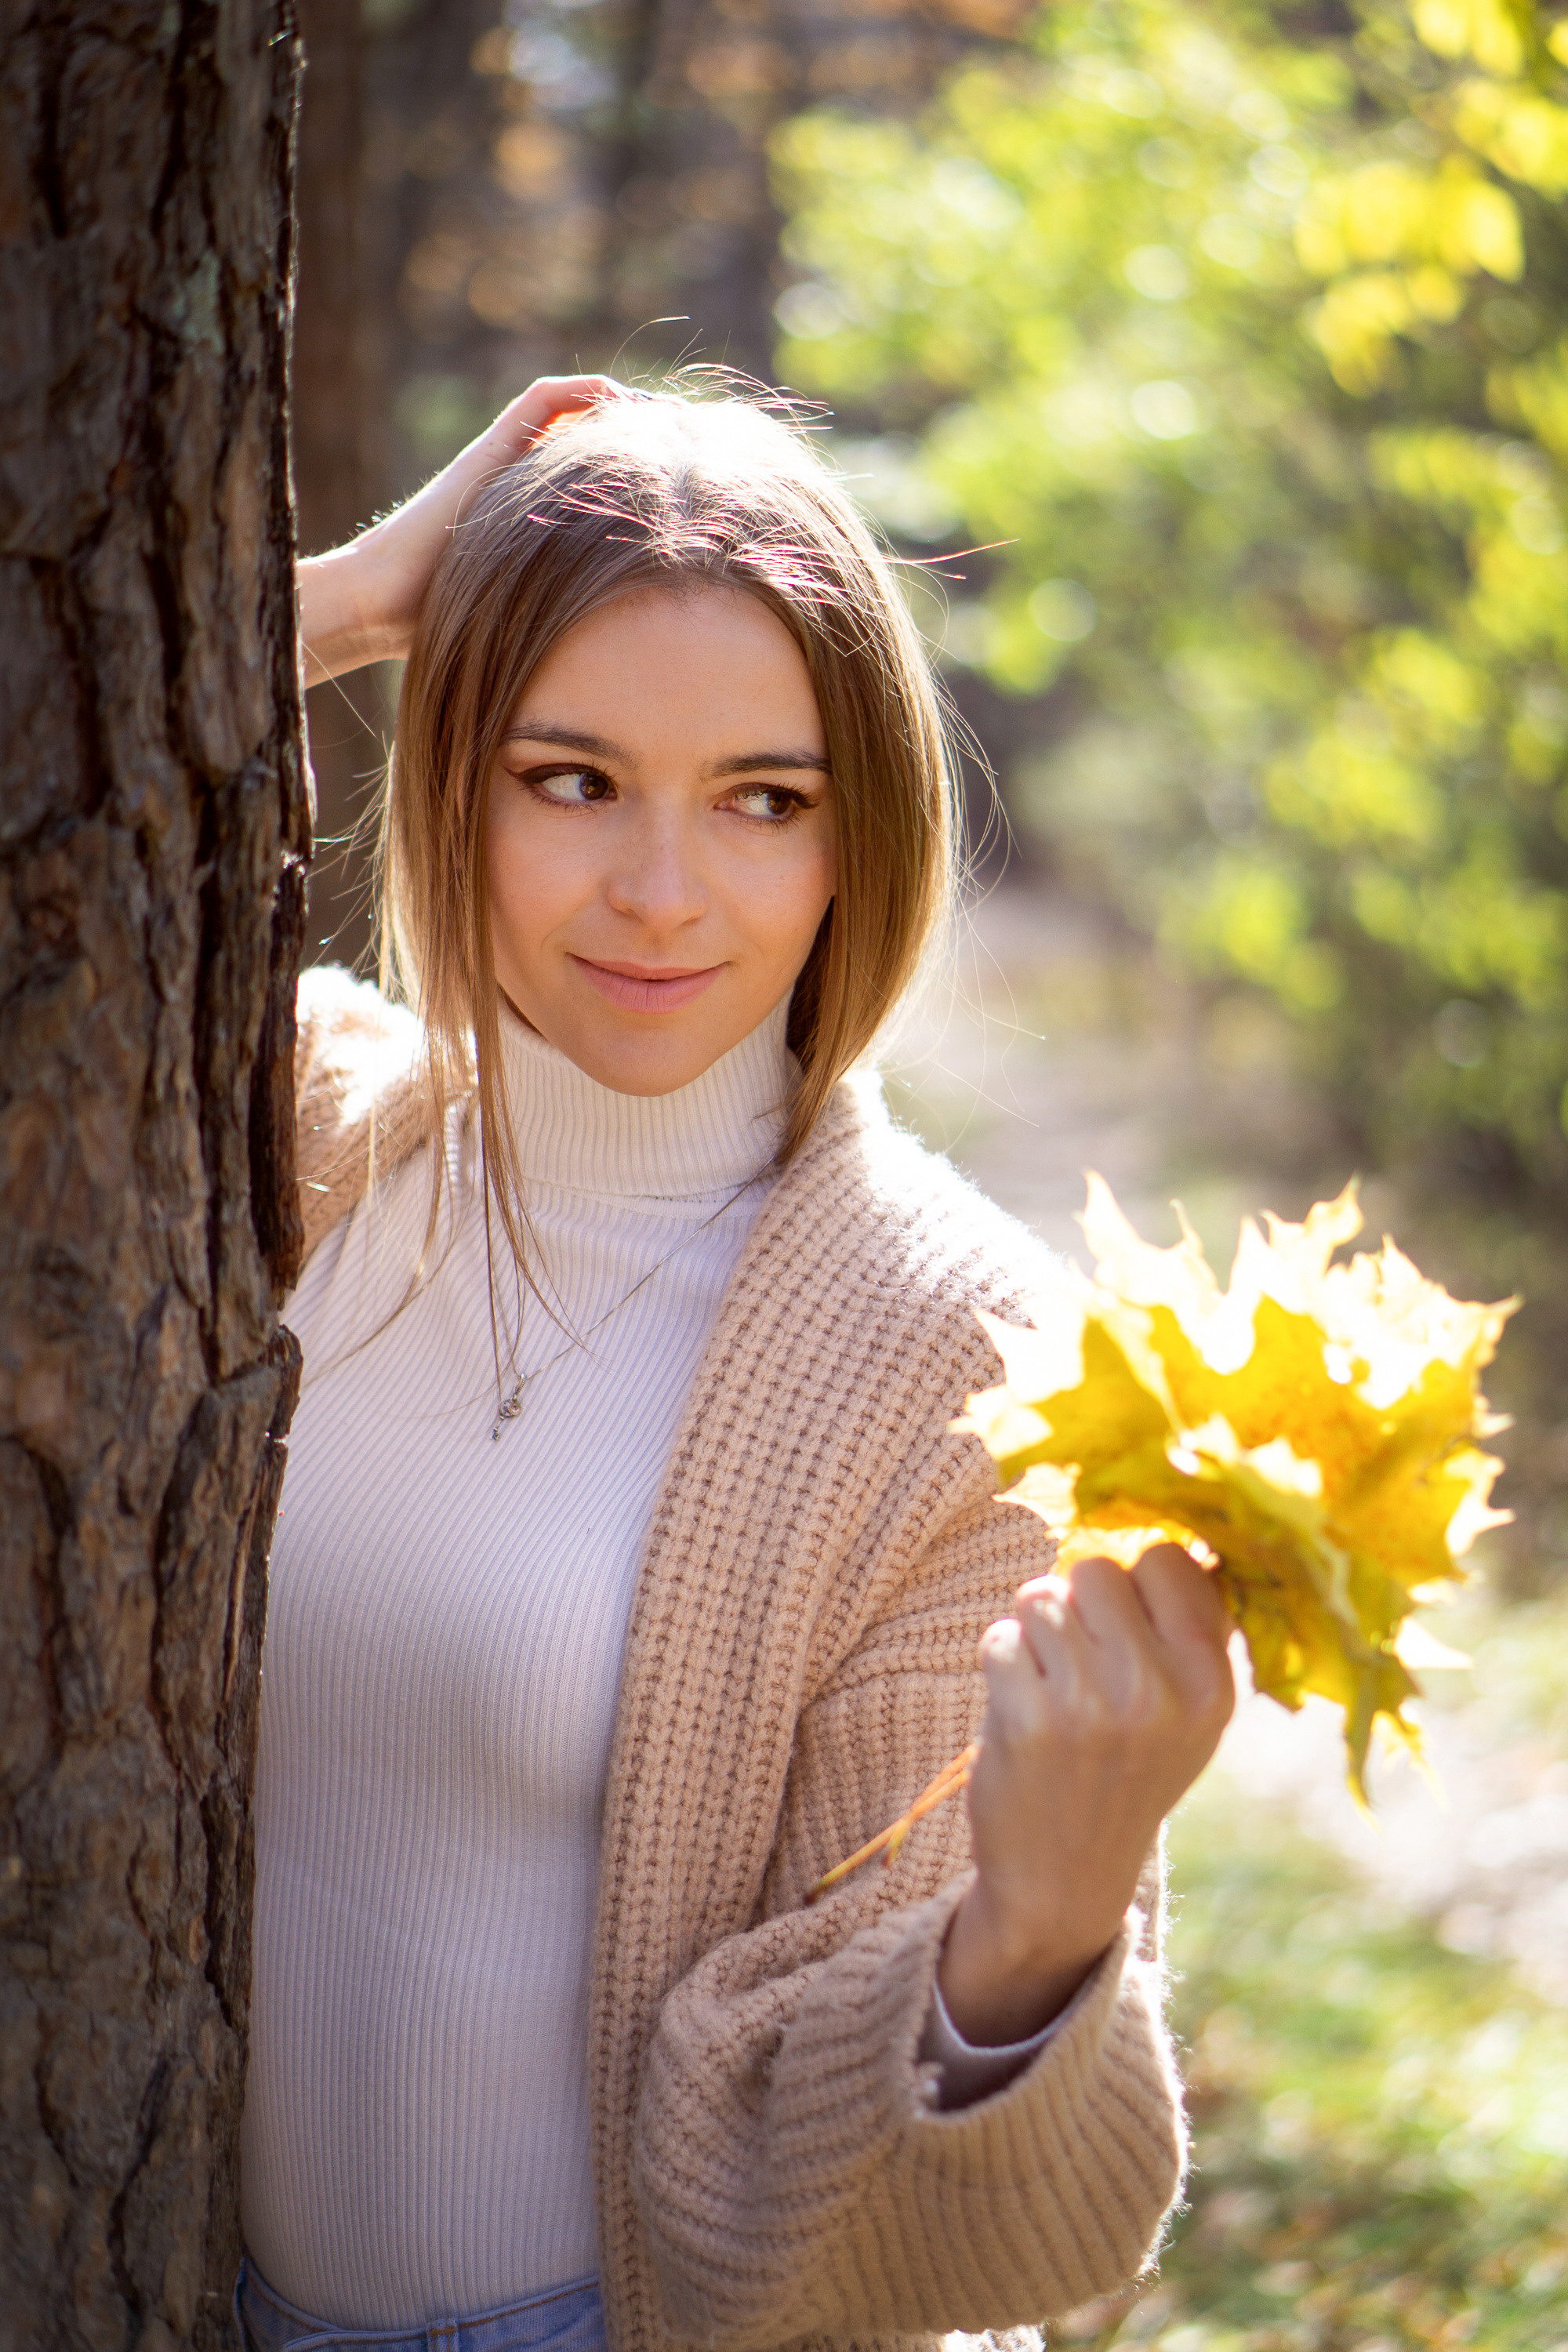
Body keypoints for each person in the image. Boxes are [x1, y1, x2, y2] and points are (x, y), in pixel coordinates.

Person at [236, 377, 1236, 2352]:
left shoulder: (963, 1364)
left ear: (859, 831)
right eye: (571, 778)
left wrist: (1028, 1945)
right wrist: (323, 610)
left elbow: (869, 2195)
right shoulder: (290, 1131)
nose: (662, 895)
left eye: (761, 800)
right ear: (449, 773)